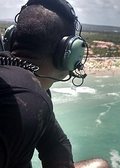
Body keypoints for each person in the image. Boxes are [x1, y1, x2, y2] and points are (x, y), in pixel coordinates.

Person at [0, 0, 110, 167]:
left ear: (11, 39)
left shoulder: (35, 96)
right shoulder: (29, 102)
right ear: (69, 53)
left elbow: (56, 145)